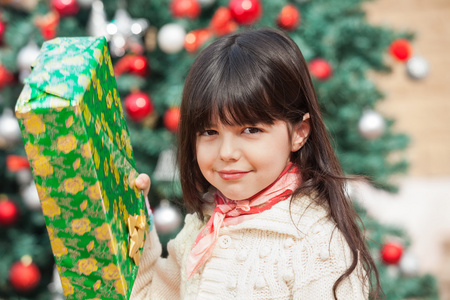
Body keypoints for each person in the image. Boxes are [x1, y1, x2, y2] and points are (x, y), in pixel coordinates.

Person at [131, 27, 381, 299]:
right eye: (209, 132)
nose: (226, 152)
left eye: (250, 130)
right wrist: (132, 215)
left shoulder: (319, 247)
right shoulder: (203, 226)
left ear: (299, 133)